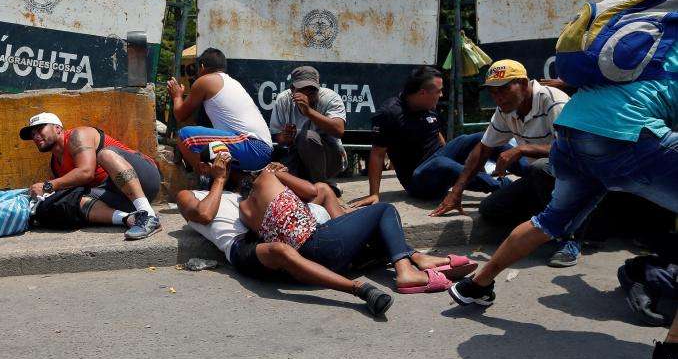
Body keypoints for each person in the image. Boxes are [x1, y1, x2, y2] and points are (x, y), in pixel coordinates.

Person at [448, 44, 678, 359]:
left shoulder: (652, 56)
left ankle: (475, 286)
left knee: (548, 221)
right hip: (623, 136)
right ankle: (672, 352)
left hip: (574, 131)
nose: (498, 96)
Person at [177, 152, 394, 316]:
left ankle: (364, 250)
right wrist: (219, 180)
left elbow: (307, 195)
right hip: (240, 247)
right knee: (281, 250)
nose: (229, 169)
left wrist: (279, 177)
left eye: (230, 165)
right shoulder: (188, 194)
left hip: (263, 232)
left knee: (322, 195)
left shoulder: (238, 194)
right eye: (221, 164)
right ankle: (358, 289)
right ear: (205, 167)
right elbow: (205, 215)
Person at [230, 159, 478, 296]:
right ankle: (406, 271)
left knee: (373, 228)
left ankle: (419, 258)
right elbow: (311, 191)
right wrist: (281, 175)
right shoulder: (268, 177)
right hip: (319, 245)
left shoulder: (244, 210)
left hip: (308, 266)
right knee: (384, 210)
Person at [430, 60, 579, 267]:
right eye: (493, 92)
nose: (498, 97)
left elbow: (572, 150)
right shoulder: (505, 109)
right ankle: (544, 224)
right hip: (542, 176)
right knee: (490, 208)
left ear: (523, 83)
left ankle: (569, 239)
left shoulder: (553, 101)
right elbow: (483, 149)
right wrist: (457, 190)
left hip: (573, 175)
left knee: (537, 168)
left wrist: (521, 149)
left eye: (504, 89)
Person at [353, 66, 512, 206]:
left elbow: (437, 136)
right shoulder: (389, 113)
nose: (442, 95)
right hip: (418, 181)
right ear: (423, 93)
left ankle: (527, 168)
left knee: (478, 138)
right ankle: (503, 187)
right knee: (441, 162)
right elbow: (377, 154)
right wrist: (374, 193)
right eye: (438, 91)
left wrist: (452, 154)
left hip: (438, 161)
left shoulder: (428, 105)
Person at [19, 112, 162, 240]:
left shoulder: (78, 135)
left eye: (40, 129)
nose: (35, 136)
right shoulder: (56, 165)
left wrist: (48, 186)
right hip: (120, 197)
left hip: (145, 178)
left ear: (57, 128)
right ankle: (130, 219)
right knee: (76, 199)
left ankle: (148, 214)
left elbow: (86, 173)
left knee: (105, 154)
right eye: (32, 134)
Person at [167, 47, 273, 174]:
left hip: (253, 148)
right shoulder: (232, 82)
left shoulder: (205, 81)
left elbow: (180, 115)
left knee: (184, 136)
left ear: (202, 67)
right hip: (262, 149)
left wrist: (177, 96)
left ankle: (203, 177)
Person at [269, 66, 347, 188]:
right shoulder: (283, 100)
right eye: (303, 89)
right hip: (296, 156)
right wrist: (285, 137)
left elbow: (339, 130)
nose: (308, 94)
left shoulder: (330, 98)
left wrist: (309, 112)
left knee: (307, 136)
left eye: (312, 90)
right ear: (292, 89)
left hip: (329, 159)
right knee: (279, 170)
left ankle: (322, 187)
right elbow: (276, 137)